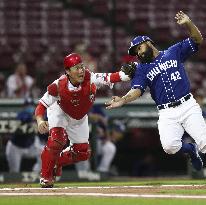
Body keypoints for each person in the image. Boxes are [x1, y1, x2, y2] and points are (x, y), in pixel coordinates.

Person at [105, 11, 206, 186]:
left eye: (139, 48)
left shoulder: (173, 51)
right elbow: (137, 90)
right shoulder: (142, 69)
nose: (138, 53)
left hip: (187, 105)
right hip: (166, 112)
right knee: (169, 147)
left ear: (148, 43)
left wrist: (188, 23)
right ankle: (190, 149)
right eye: (136, 52)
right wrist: (123, 100)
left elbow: (197, 39)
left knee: (205, 142)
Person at [34, 53, 134, 188]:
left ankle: (55, 162)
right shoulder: (57, 86)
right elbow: (41, 106)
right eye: (76, 68)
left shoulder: (90, 78)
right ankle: (46, 177)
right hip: (60, 112)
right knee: (58, 140)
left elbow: (110, 77)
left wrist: (126, 75)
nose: (81, 71)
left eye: (82, 67)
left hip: (79, 117)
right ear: (68, 71)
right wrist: (40, 121)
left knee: (82, 153)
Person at [5, 98, 44, 173]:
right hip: (15, 147)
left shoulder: (38, 115)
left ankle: (36, 171)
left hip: (29, 147)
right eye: (27, 106)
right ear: (24, 107)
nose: (29, 107)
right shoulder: (21, 114)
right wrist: (33, 118)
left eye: (31, 105)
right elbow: (24, 118)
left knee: (44, 151)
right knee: (14, 172)